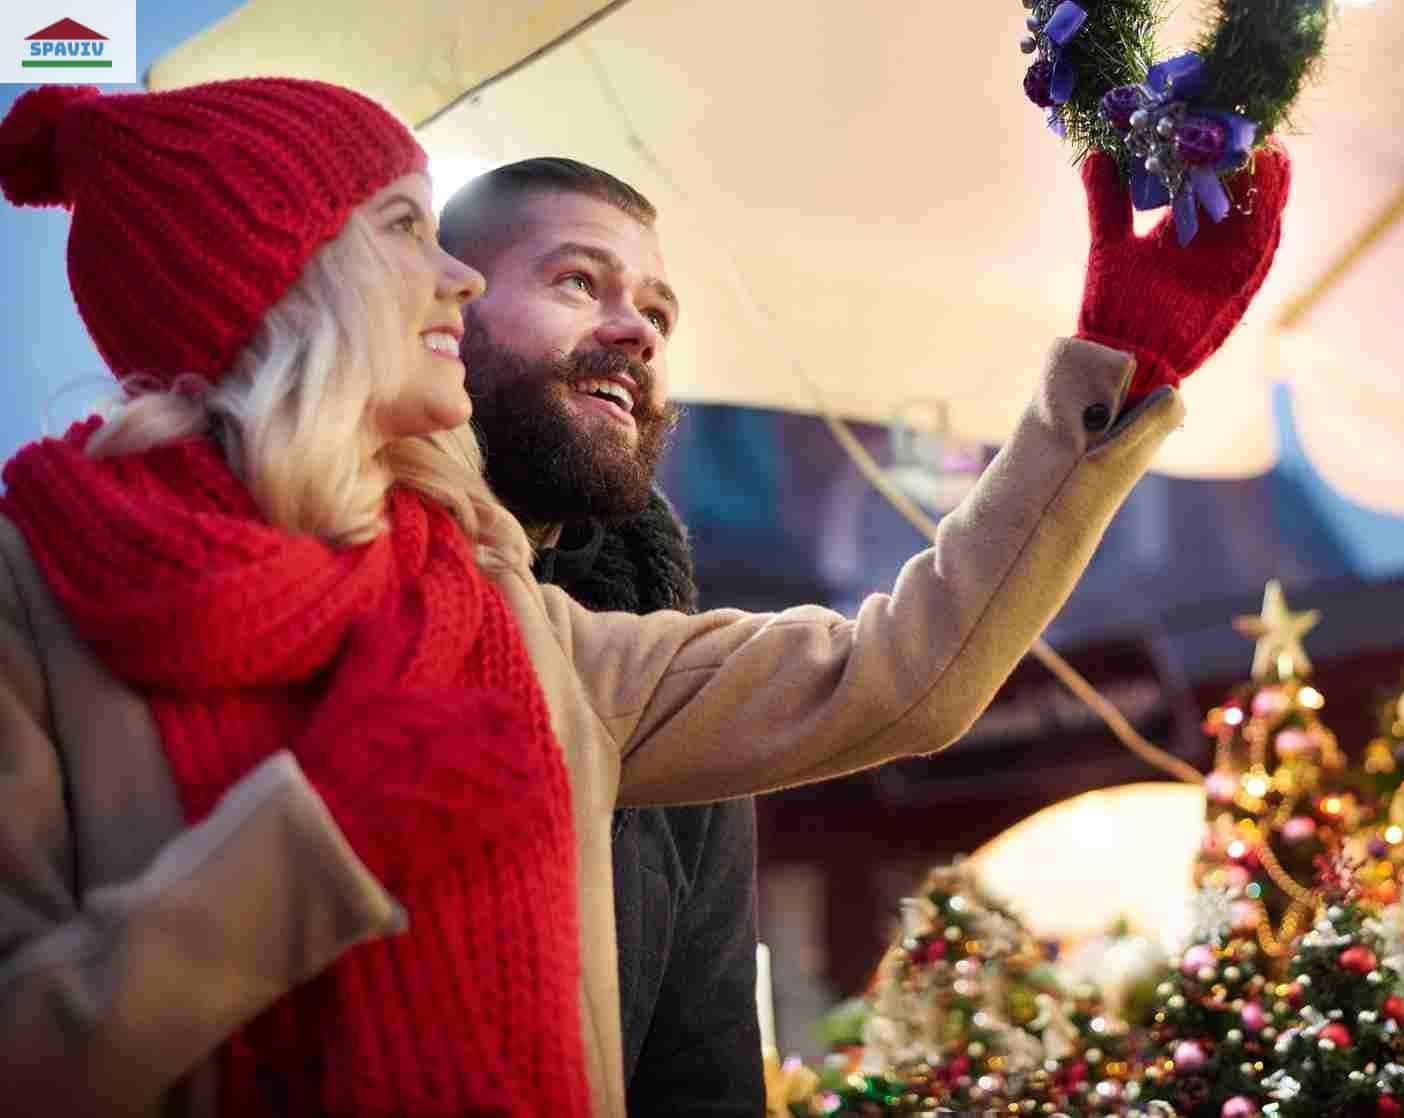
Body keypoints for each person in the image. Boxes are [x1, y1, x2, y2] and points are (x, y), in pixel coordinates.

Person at [0, 78, 1286, 1118]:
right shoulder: (32, 604)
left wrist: (1118, 371)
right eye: (405, 231)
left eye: (657, 306)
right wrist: (314, 845)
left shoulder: (512, 621)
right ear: (272, 274)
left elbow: (895, 673)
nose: (445, 274)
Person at [439, 159, 764, 1115]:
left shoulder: (666, 672)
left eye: (659, 315)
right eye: (579, 281)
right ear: (444, 308)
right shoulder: (322, 580)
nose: (636, 334)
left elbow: (702, 1066)